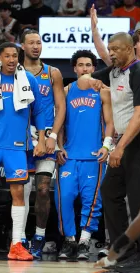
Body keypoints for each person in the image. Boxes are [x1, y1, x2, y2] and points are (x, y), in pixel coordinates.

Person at [87, 32, 140, 262]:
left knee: (138, 195)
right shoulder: (115, 71)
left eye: (115, 49)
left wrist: (118, 148)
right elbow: (84, 79)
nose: (110, 53)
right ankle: (123, 248)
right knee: (110, 190)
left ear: (129, 49)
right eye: (109, 49)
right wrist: (90, 80)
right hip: (128, 139)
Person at [55, 50, 114, 260]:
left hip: (93, 156)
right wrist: (58, 146)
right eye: (81, 65)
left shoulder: (103, 91)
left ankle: (84, 241)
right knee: (64, 198)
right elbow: (59, 123)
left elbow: (110, 123)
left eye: (89, 65)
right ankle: (69, 241)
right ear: (74, 68)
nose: (85, 69)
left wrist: (106, 147)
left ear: (94, 68)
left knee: (92, 201)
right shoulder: (66, 90)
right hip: (69, 156)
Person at [0, 42, 45, 260]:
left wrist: (41, 138)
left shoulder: (28, 80)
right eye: (7, 56)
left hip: (17, 146)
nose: (12, 60)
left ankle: (16, 245)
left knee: (18, 194)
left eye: (15, 56)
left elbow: (39, 112)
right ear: (0, 58)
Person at [20, 29, 66, 258]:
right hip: (21, 138)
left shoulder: (53, 72)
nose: (36, 46)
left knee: (43, 188)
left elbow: (61, 108)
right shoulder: (14, 72)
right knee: (21, 190)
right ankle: (19, 238)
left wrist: (54, 137)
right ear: (22, 47)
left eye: (39, 42)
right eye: (31, 43)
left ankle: (39, 236)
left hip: (47, 137)